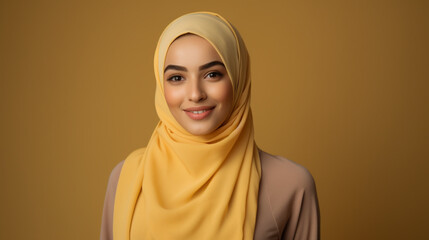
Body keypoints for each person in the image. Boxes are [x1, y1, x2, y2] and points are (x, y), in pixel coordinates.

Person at [100, 12, 319, 240]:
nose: (195, 94)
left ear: (238, 78)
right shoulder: (126, 177)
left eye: (212, 74)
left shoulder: (290, 184)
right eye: (176, 78)